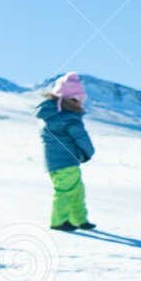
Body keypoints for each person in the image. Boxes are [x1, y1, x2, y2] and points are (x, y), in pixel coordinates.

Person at [37, 72, 96, 231]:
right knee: (66, 192)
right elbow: (81, 138)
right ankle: (58, 221)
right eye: (77, 99)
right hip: (66, 163)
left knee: (76, 191)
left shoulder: (52, 118)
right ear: (66, 99)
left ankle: (78, 219)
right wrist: (88, 152)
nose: (80, 103)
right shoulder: (70, 119)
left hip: (57, 164)